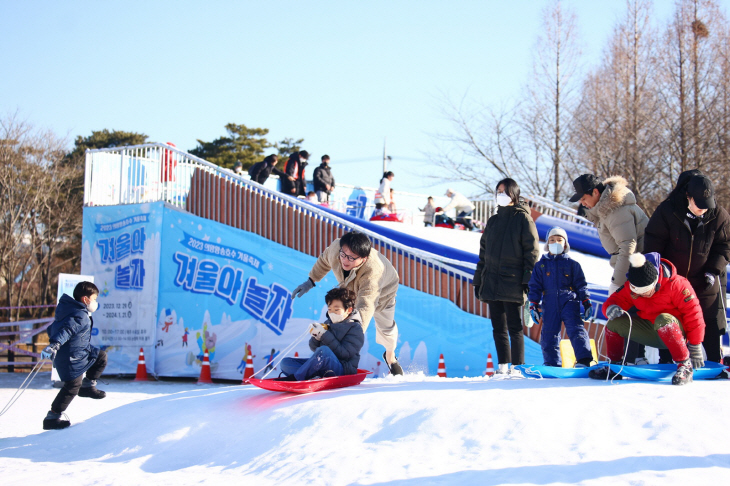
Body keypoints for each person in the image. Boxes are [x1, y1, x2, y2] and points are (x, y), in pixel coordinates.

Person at [644, 172, 730, 367]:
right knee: (670, 321)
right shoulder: (668, 211)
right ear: (688, 197)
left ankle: (714, 363)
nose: (704, 210)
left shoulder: (719, 216)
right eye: (699, 205)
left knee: (707, 323)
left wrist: (712, 270)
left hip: (705, 281)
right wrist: (661, 271)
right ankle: (668, 362)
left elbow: (724, 246)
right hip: (672, 283)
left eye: (707, 205)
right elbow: (653, 244)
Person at [292, 231, 403, 375]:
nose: (345, 260)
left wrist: (352, 335)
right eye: (343, 254)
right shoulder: (336, 249)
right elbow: (324, 260)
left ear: (364, 259)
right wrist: (311, 281)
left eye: (351, 258)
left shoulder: (373, 273)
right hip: (351, 289)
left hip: (383, 295)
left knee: (386, 330)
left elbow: (366, 305)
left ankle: (390, 356)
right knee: (341, 317)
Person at [590, 252, 706, 385]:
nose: (643, 295)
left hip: (675, 331)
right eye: (638, 292)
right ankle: (615, 367)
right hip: (651, 330)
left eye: (646, 291)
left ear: (655, 282)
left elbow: (694, 315)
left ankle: (685, 366)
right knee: (613, 323)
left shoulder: (678, 284)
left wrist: (695, 344)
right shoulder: (632, 287)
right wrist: (610, 309)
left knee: (663, 319)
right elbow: (615, 300)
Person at [569, 173, 650, 364]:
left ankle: (633, 358)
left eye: (584, 198)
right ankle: (636, 357)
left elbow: (627, 247)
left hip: (635, 266)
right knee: (632, 311)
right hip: (631, 264)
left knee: (628, 311)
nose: (582, 203)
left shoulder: (617, 211)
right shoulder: (608, 209)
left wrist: (617, 282)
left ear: (596, 192)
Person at [473, 178, 540, 376]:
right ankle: (503, 365)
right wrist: (479, 280)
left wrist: (528, 281)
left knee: (514, 327)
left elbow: (532, 252)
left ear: (514, 194)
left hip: (513, 281)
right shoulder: (493, 221)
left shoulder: (523, 219)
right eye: (498, 191)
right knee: (497, 327)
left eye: (504, 191)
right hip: (492, 281)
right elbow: (483, 254)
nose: (500, 195)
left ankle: (518, 367)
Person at [40, 282, 107, 430]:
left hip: (79, 353)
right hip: (71, 359)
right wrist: (55, 344)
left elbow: (53, 328)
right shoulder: (78, 315)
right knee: (72, 387)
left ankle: (88, 386)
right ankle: (52, 417)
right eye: (94, 299)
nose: (95, 303)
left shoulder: (70, 311)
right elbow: (66, 331)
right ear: (85, 299)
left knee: (101, 356)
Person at [528, 227, 594, 367]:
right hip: (549, 303)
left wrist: (586, 301)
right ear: (547, 244)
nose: (555, 242)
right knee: (548, 334)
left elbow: (581, 284)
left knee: (576, 329)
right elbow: (535, 287)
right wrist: (533, 304)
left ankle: (584, 360)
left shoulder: (573, 265)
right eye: (552, 240)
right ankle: (552, 363)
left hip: (569, 301)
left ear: (565, 244)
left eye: (559, 240)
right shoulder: (541, 266)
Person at [278, 288, 365, 381]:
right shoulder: (328, 323)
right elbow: (314, 349)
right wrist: (316, 337)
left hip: (343, 370)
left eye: (336, 310)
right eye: (329, 309)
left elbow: (345, 354)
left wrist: (324, 335)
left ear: (348, 310)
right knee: (286, 363)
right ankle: (312, 376)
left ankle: (297, 378)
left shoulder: (355, 328)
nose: (332, 313)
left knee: (324, 351)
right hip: (323, 368)